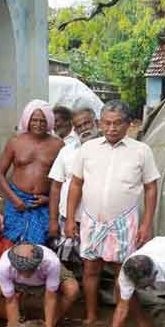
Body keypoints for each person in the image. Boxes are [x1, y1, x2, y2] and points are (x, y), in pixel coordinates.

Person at [65, 100, 160, 325]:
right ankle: (91, 316)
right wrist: (70, 219)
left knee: (124, 274)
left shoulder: (141, 151)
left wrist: (146, 224)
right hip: (91, 220)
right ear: (100, 123)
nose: (111, 128)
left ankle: (133, 320)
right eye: (106, 123)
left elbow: (151, 187)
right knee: (90, 269)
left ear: (129, 124)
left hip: (124, 222)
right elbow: (76, 184)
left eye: (117, 123)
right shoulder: (88, 149)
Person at [0, 100, 64, 245]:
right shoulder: (15, 141)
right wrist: (15, 200)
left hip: (43, 203)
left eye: (43, 121)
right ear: (27, 120)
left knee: (38, 246)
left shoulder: (58, 145)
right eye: (34, 120)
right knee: (9, 242)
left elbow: (63, 180)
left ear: (49, 122)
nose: (38, 124)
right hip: (17, 200)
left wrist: (49, 199)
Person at [47, 107, 101, 256]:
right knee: (69, 261)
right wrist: (53, 220)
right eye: (79, 126)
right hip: (70, 219)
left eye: (87, 123)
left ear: (96, 123)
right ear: (74, 130)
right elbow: (56, 187)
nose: (84, 129)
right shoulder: (67, 151)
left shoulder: (109, 150)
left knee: (95, 263)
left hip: (99, 221)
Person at [0, 242, 80, 327]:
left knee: (72, 289)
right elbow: (11, 300)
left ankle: (52, 321)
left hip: (45, 277)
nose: (27, 276)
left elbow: (51, 296)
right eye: (22, 271)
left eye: (31, 270)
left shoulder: (51, 261)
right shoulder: (3, 265)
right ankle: (18, 322)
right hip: (16, 280)